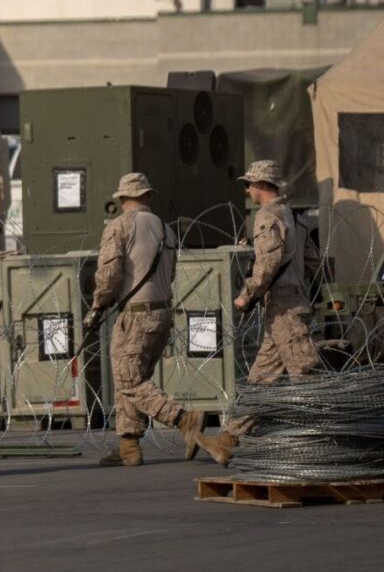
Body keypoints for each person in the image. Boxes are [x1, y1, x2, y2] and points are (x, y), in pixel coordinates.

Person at [197, 160, 320, 465]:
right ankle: (228, 439)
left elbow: (268, 263)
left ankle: (322, 443)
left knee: (306, 375)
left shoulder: (267, 216)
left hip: (284, 306)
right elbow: (312, 260)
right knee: (262, 378)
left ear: (262, 185)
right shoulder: (292, 216)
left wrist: (247, 294)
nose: (248, 190)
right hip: (290, 302)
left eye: (249, 184)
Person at [85, 173, 205, 467]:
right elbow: (171, 273)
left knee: (129, 380)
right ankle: (129, 446)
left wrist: (98, 305)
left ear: (121, 198)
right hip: (161, 312)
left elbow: (109, 274)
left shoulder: (119, 226)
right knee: (129, 376)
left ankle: (184, 419)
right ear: (148, 196)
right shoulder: (166, 229)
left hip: (136, 314)